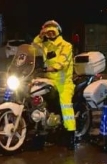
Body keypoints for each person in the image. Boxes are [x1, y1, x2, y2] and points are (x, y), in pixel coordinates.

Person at [33, 20, 77, 150]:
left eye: (53, 31)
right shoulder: (46, 45)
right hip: (48, 80)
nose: (50, 34)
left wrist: (51, 68)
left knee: (66, 106)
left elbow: (62, 62)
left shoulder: (66, 45)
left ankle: (70, 135)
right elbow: (33, 48)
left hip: (64, 83)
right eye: (48, 32)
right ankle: (40, 125)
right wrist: (40, 36)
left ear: (58, 32)